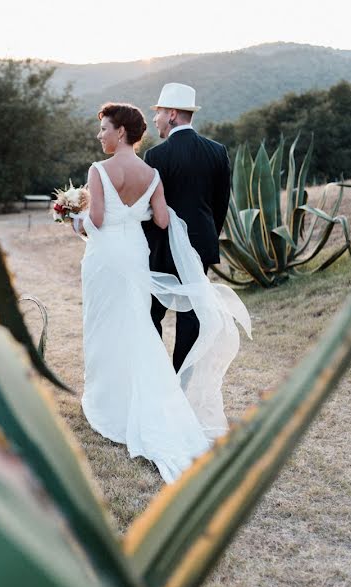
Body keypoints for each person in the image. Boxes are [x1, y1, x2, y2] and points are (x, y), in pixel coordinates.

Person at [74, 101, 250, 483]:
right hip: (137, 254)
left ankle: (109, 403)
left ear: (121, 131)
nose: (100, 134)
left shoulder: (98, 170)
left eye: (103, 128)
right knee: (137, 325)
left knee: (104, 325)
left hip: (107, 257)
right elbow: (164, 218)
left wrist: (75, 219)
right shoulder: (152, 173)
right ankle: (159, 400)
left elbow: (98, 220)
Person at [143, 83, 232, 373]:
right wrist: (205, 238)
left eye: (158, 113)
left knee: (151, 312)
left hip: (163, 245)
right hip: (201, 244)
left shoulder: (156, 157)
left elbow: (150, 209)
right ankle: (182, 378)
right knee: (192, 314)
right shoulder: (217, 151)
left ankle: (161, 376)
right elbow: (221, 205)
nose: (154, 119)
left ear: (171, 115)